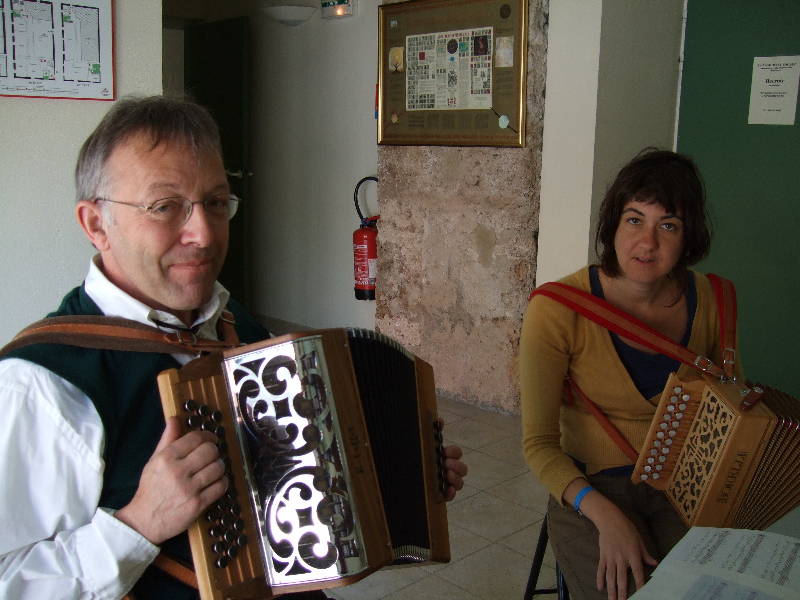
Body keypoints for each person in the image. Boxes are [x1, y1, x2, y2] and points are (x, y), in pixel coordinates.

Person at [0, 95, 468, 599]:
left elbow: (298, 479)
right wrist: (138, 524)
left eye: (216, 203)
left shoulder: (231, 323)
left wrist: (404, 477)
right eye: (165, 207)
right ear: (96, 225)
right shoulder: (40, 387)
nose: (203, 234)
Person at [519, 149, 742, 600]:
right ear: (613, 225)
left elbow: (729, 411)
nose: (647, 242)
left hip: (684, 485)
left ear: (688, 236)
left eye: (668, 225)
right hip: (591, 488)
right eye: (634, 219)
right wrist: (606, 516)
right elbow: (538, 445)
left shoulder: (714, 299)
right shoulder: (557, 309)